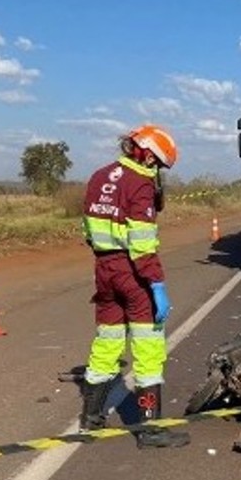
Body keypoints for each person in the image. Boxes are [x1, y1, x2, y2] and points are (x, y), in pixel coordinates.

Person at [78, 124, 189, 448]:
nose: (156, 171)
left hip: (104, 268)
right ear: (150, 157)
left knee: (107, 342)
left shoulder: (99, 176)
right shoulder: (139, 184)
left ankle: (91, 419)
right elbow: (142, 244)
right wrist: (156, 285)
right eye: (157, 164)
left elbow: (88, 229)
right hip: (134, 275)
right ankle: (150, 429)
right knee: (148, 348)